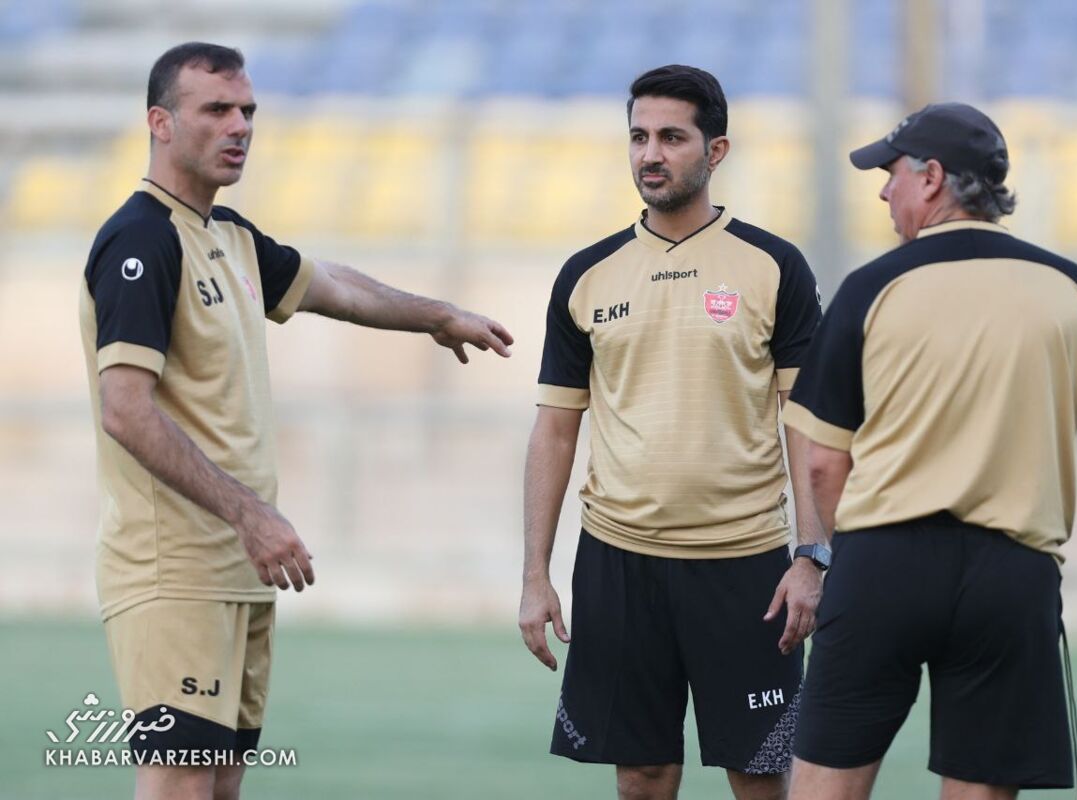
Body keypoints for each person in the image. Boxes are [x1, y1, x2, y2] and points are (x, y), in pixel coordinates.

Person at [79, 42, 512, 800]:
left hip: (236, 574)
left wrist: (437, 316)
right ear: (160, 123)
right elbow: (125, 410)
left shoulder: (228, 234)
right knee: (179, 785)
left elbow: (334, 285)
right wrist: (250, 514)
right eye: (217, 110)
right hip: (174, 571)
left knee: (217, 788)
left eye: (248, 111)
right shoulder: (141, 239)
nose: (240, 126)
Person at [782, 102, 1077, 800]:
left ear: (933, 178)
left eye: (890, 173)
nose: (883, 190)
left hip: (881, 566)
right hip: (1011, 576)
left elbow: (824, 461)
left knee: (825, 788)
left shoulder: (871, 288)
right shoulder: (1074, 290)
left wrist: (831, 555)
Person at [518, 65, 827, 800]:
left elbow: (808, 426)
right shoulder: (586, 274)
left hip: (747, 565)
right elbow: (556, 430)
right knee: (643, 775)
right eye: (638, 136)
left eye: (671, 137)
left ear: (715, 152)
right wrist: (536, 573)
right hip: (619, 563)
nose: (650, 153)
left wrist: (812, 554)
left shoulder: (774, 266)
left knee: (758, 775)